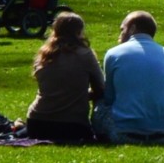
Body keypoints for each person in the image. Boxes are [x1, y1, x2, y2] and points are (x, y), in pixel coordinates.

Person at [96, 11, 164, 145]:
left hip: (123, 135)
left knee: (99, 107)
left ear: (132, 28)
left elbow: (109, 98)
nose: (119, 35)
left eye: (122, 30)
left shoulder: (113, 54)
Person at [20, 11, 105, 143]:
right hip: (72, 125)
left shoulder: (44, 55)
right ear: (79, 32)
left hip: (37, 123)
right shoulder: (85, 55)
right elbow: (100, 87)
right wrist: (82, 95)